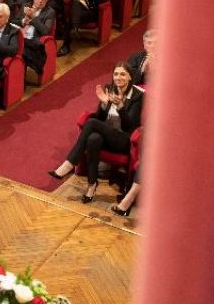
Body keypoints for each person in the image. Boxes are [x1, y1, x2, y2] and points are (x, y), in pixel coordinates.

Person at [48, 62, 144, 204]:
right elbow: (99, 119)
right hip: (106, 136)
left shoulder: (137, 96)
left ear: (130, 77)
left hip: (123, 140)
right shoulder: (109, 89)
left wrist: (121, 107)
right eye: (116, 74)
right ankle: (92, 185)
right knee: (93, 138)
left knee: (91, 123)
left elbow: (130, 127)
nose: (118, 77)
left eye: (123, 74)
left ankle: (69, 163)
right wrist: (104, 105)